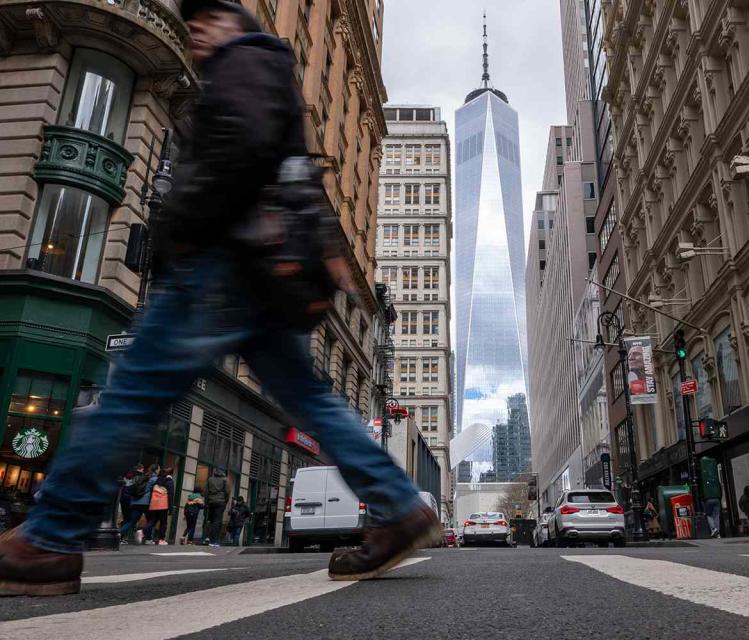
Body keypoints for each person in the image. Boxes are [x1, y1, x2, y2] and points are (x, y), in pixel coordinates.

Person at [0, 0, 436, 597]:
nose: (195, 36)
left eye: (202, 24)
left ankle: (48, 539)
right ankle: (399, 506)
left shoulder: (246, 60)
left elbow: (241, 148)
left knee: (131, 390)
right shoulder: (269, 69)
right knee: (310, 396)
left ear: (230, 25)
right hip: (265, 272)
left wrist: (184, 230)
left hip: (224, 259)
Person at [144, 468, 175, 545]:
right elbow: (170, 495)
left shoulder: (157, 481)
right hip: (163, 504)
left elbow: (151, 491)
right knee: (163, 523)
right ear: (171, 474)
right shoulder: (169, 481)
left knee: (152, 521)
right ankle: (161, 540)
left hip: (154, 504)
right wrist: (170, 508)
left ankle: (146, 537)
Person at [204, 468, 229, 547]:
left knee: (210, 520)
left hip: (211, 501)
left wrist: (206, 502)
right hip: (220, 502)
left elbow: (206, 492)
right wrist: (225, 502)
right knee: (217, 521)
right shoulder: (224, 480)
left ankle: (207, 537)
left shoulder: (210, 479)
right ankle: (214, 541)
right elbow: (227, 492)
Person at [700, 456, 723, 538]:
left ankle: (714, 529)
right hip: (717, 498)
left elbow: (701, 491)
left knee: (708, 514)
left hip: (708, 499)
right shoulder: (714, 476)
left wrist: (702, 500)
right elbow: (720, 488)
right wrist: (720, 497)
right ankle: (718, 532)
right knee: (716, 515)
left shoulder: (702, 476)